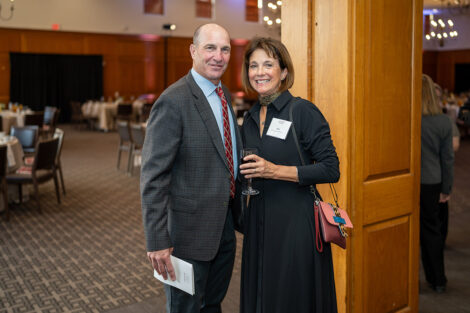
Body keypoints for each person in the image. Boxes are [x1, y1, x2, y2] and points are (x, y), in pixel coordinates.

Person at [140, 23, 241, 312]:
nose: (218, 56)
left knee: (212, 305)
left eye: (224, 49)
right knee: (186, 308)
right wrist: (157, 240)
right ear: (193, 51)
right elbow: (153, 177)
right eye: (210, 48)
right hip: (186, 236)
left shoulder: (225, 96)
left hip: (223, 228)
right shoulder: (173, 101)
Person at [238, 37, 340, 313]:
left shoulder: (302, 111)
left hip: (296, 222)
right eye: (254, 65)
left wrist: (275, 170)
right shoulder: (248, 119)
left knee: (291, 296)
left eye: (268, 64)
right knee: (262, 293)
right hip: (259, 220)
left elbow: (331, 168)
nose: (260, 72)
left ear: (283, 72)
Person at [420, 74, 454, 293]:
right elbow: (447, 159)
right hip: (432, 182)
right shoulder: (443, 121)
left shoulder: (407, 117)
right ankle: (438, 280)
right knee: (432, 231)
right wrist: (446, 188)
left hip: (405, 180)